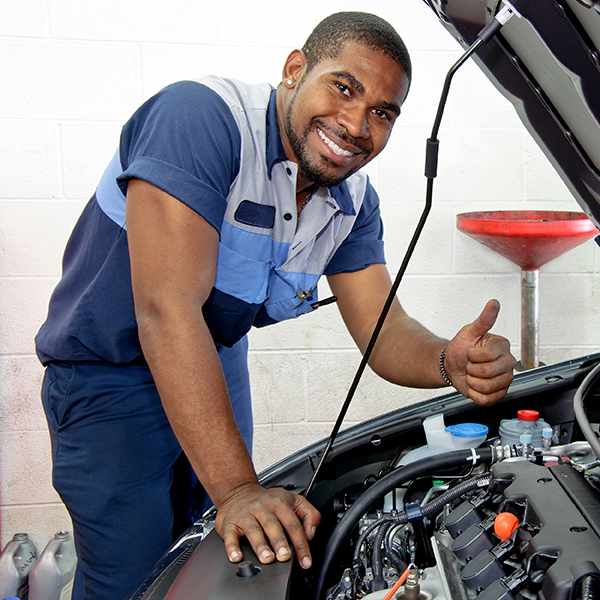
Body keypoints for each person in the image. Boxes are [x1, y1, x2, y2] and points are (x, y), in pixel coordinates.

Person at [35, 11, 516, 600]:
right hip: (109, 375)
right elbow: (167, 310)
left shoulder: (351, 200)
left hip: (212, 360)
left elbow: (383, 331)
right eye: (344, 87)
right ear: (295, 70)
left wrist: (448, 361)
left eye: (382, 113)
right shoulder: (201, 119)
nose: (355, 123)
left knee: (210, 562)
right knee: (130, 579)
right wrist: (237, 489)